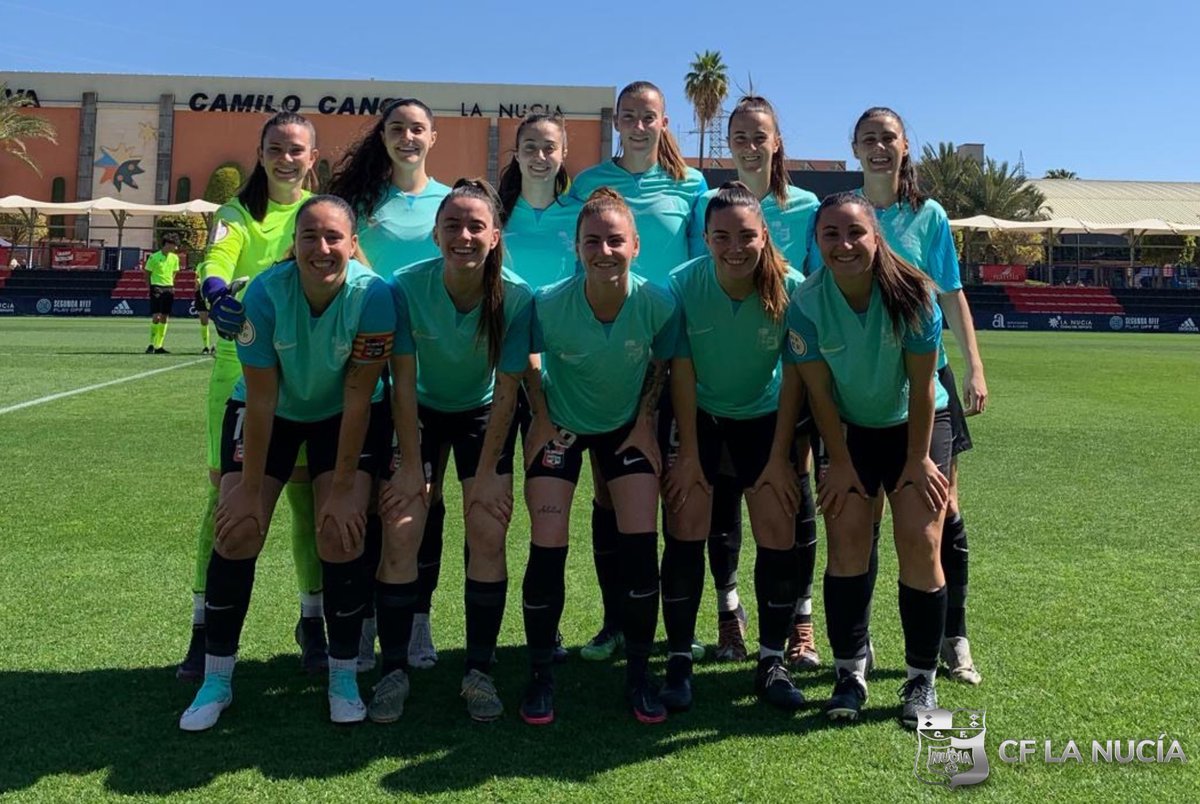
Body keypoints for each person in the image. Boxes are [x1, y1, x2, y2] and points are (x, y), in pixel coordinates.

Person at [179, 195, 395, 731]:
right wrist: (250, 487)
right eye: (309, 237)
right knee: (239, 529)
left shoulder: (376, 297)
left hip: (341, 414)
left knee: (339, 533)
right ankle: (218, 678)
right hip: (268, 410)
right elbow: (262, 399)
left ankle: (342, 676)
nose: (321, 249)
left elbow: (357, 393)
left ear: (351, 244)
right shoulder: (265, 294)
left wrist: (345, 485)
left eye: (333, 238)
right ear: (293, 244)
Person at [784, 191, 951, 728]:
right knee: (848, 541)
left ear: (875, 237)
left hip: (916, 427)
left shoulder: (915, 294)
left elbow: (924, 388)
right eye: (830, 234)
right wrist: (841, 462)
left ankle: (920, 682)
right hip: (851, 430)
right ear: (818, 242)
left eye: (855, 232)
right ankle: (849, 675)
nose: (844, 244)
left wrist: (919, 460)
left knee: (921, 542)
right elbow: (819, 396)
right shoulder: (806, 303)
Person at [370, 179, 532, 724]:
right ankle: (393, 669)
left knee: (487, 527)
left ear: (494, 235)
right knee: (402, 526)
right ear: (436, 234)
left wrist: (487, 470)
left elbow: (509, 388)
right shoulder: (405, 287)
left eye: (475, 226)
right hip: (418, 411)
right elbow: (402, 380)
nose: (463, 236)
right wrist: (412, 467)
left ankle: (479, 672)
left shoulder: (516, 295)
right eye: (452, 226)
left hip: (482, 415)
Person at [518, 188, 677, 726]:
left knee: (639, 546)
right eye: (593, 241)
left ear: (635, 245)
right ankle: (541, 675)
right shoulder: (546, 301)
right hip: (561, 427)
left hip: (624, 430)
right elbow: (525, 356)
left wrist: (646, 422)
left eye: (615, 240)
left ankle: (639, 674)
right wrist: (540, 414)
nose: (604, 251)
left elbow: (663, 360)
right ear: (577, 248)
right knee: (547, 546)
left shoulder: (657, 301)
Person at [179, 111, 327, 682]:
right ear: (260, 153)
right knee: (227, 501)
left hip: (307, 379)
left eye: (297, 149)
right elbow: (216, 260)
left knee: (306, 502)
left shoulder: (319, 216)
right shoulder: (238, 213)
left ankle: (312, 622)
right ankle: (203, 629)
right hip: (236, 377)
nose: (286, 158)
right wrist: (214, 289)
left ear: (313, 158)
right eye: (276, 148)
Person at [848, 107, 989, 685]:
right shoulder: (844, 216)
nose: (879, 148)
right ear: (854, 149)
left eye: (889, 138)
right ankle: (860, 642)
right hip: (862, 380)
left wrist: (976, 368)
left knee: (940, 512)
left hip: (930, 378)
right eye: (869, 140)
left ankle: (954, 636)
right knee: (867, 513)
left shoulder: (928, 215)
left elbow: (951, 295)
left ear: (905, 147)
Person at [569, 81, 707, 662]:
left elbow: (700, 262)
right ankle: (616, 621)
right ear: (617, 123)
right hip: (608, 355)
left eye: (648, 116)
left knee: (672, 492)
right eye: (629, 116)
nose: (639, 125)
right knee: (609, 495)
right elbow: (575, 257)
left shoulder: (691, 184)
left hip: (670, 353)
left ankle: (675, 627)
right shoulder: (589, 184)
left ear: (664, 122)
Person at [659, 182, 807, 712]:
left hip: (766, 421)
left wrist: (779, 456)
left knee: (777, 532)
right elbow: (681, 370)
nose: (735, 247)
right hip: (698, 418)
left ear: (764, 235)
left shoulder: (791, 287)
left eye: (746, 235)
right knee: (685, 530)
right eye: (722, 236)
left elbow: (795, 378)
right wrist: (691, 454)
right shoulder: (683, 284)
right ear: (705, 238)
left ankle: (771, 660)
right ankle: (678, 661)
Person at [687, 95, 822, 666]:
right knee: (721, 503)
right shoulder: (706, 203)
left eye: (757, 135)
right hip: (718, 379)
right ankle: (730, 614)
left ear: (776, 141)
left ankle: (801, 620)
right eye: (737, 136)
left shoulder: (809, 205)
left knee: (795, 498)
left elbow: (816, 288)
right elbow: (708, 279)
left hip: (787, 376)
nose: (747, 144)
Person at [329, 97, 452, 671]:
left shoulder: (448, 201)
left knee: (426, 500)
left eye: (417, 129)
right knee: (376, 504)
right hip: (370, 378)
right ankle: (368, 623)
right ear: (384, 137)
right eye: (397, 129)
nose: (407, 138)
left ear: (434, 137)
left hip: (434, 378)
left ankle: (419, 621)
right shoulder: (358, 204)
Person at [144, 233, 181, 354]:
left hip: (168, 288)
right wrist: (150, 287)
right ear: (167, 244)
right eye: (174, 245)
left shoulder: (175, 258)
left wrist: (171, 286)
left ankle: (159, 345)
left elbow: (174, 273)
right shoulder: (154, 257)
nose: (176, 248)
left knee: (165, 316)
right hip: (157, 287)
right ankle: (151, 343)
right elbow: (147, 273)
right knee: (156, 316)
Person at [193, 270, 214, 355]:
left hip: (212, 292)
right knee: (203, 321)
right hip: (201, 294)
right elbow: (196, 282)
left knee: (219, 321)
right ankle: (206, 346)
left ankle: (220, 345)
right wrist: (197, 284)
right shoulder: (200, 266)